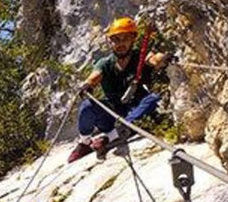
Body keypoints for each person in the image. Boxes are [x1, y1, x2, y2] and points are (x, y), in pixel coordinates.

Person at [67, 16, 172, 163]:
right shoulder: (105, 63)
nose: (120, 44)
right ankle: (85, 143)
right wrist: (87, 85)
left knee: (153, 99)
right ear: (110, 42)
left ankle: (114, 134)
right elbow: (95, 76)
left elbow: (154, 59)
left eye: (125, 39)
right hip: (113, 112)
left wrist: (164, 57)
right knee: (87, 106)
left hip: (136, 109)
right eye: (116, 39)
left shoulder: (140, 57)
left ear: (132, 39)